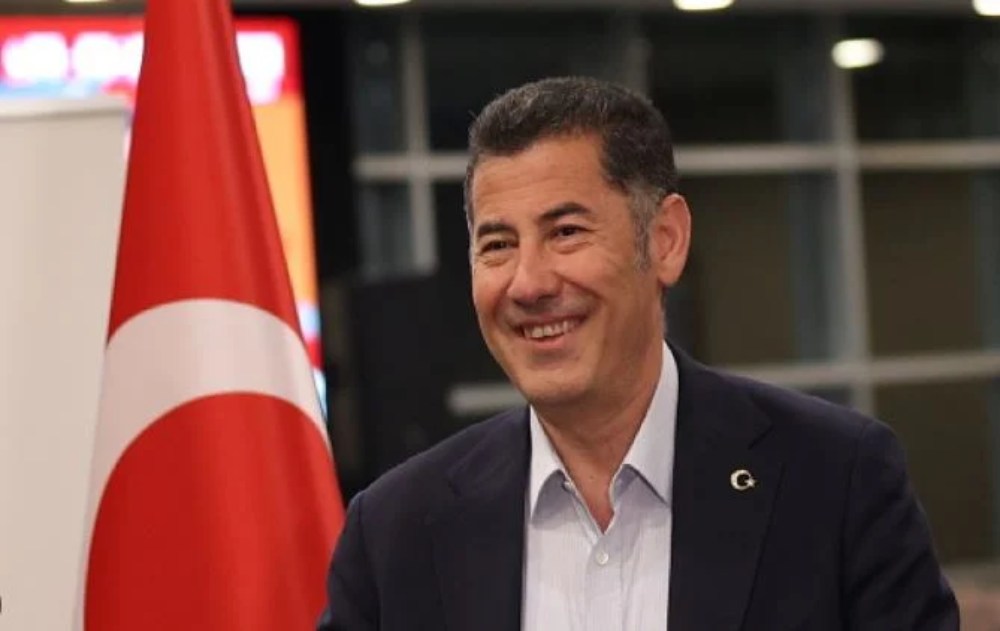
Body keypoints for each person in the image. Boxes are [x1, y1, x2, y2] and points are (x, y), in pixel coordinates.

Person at [318, 76, 958, 630]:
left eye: (566, 232)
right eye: (498, 245)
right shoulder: (395, 530)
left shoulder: (836, 481)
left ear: (666, 241)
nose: (528, 283)